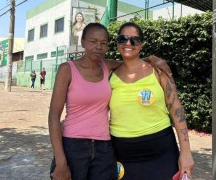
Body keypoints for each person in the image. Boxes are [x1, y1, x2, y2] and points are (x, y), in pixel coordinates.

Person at [48, 23, 172, 180]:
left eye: (104, 43)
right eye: (93, 41)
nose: (98, 46)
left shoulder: (107, 66)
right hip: (73, 146)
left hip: (104, 148)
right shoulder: (67, 69)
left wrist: (153, 59)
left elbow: (132, 63)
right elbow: (53, 116)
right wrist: (60, 161)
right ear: (83, 42)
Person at [109, 22, 194, 180]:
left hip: (161, 152)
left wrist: (186, 152)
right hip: (123, 155)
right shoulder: (108, 74)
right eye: (123, 39)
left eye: (134, 40)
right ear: (117, 43)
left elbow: (177, 111)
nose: (128, 43)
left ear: (141, 44)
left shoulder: (158, 71)